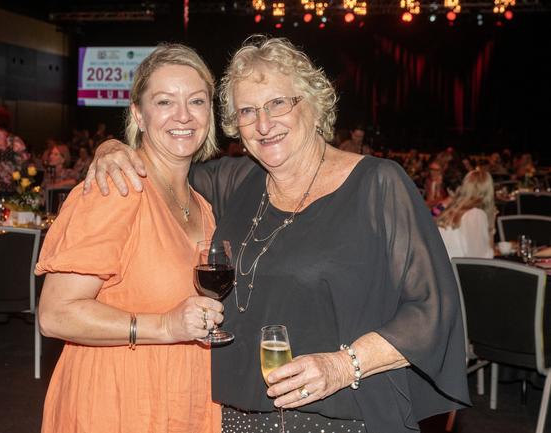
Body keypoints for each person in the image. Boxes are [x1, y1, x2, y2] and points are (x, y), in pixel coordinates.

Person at [85, 36, 470, 433]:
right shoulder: (234, 182)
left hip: (344, 417)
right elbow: (158, 166)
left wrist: (343, 364)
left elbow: (433, 310)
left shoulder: (378, 184)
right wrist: (112, 147)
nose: (264, 124)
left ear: (313, 105)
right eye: (248, 111)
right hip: (238, 417)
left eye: (277, 104)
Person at [36, 43, 223, 433]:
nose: (184, 116)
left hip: (184, 401)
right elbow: (56, 314)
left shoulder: (202, 205)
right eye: (165, 102)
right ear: (138, 113)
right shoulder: (116, 188)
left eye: (197, 101)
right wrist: (164, 327)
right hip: (117, 404)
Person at [437, 169, 496, 259]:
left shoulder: (452, 209)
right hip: (456, 271)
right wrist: (491, 226)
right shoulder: (474, 215)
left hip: (442, 269)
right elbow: (481, 260)